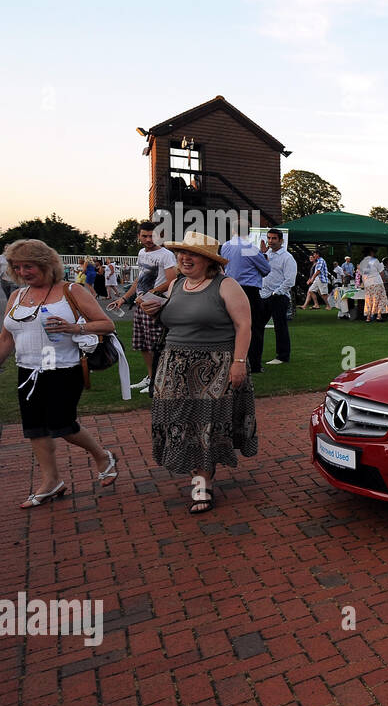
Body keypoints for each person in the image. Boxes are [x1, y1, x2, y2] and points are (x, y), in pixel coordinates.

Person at [0, 239, 121, 507]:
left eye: (28, 266)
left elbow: (107, 324)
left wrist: (73, 328)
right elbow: (6, 338)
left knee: (61, 425)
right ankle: (51, 481)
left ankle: (102, 456)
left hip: (63, 369)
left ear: (46, 264)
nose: (22, 273)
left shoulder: (71, 290)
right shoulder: (16, 297)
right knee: (34, 428)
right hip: (28, 371)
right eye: (17, 267)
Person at [146, 232, 255, 515]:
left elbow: (244, 325)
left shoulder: (226, 285)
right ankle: (198, 472)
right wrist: (154, 312)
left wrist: (239, 362)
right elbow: (174, 321)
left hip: (215, 366)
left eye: (192, 254)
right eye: (182, 253)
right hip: (173, 366)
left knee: (206, 424)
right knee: (178, 421)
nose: (185, 258)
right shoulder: (176, 285)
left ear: (209, 261)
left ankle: (202, 482)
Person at [108, 221, 178, 394]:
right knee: (143, 345)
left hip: (155, 304)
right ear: (139, 236)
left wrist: (149, 293)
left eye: (152, 236)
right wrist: (123, 299)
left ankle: (158, 380)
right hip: (140, 304)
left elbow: (171, 280)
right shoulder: (141, 253)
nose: (148, 239)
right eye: (144, 236)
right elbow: (140, 279)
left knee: (156, 344)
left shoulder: (166, 254)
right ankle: (150, 377)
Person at [219, 234, 270, 372]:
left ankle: (231, 360)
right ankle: (254, 364)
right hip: (249, 291)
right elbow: (266, 269)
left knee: (232, 327)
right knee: (254, 328)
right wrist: (264, 256)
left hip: (229, 289)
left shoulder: (225, 246)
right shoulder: (250, 248)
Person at [258, 229, 296, 361]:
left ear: (281, 240)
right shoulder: (266, 254)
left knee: (280, 327)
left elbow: (290, 280)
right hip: (263, 295)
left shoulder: (287, 257)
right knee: (257, 326)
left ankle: (283, 356)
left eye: (274, 238)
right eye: (269, 238)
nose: (270, 241)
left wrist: (277, 292)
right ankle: (255, 356)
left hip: (278, 296)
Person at [358, 247, 388, 322]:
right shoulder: (375, 261)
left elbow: (361, 275)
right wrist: (385, 281)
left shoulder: (362, 262)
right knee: (380, 299)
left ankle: (368, 317)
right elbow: (381, 272)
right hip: (376, 282)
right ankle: (378, 316)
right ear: (371, 253)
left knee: (369, 300)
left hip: (368, 283)